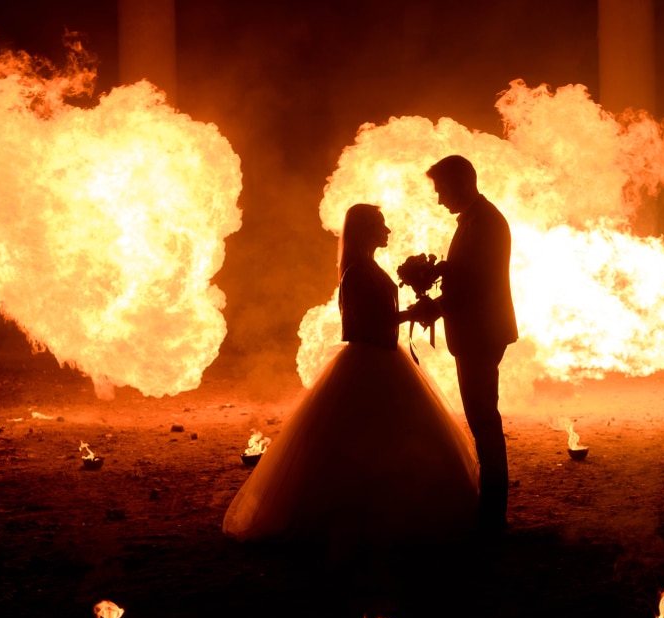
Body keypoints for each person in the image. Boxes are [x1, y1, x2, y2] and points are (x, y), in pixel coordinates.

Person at [222, 203, 479, 558]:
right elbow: (359, 328)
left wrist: (412, 310)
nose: (387, 231)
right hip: (370, 363)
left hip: (385, 359)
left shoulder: (369, 267)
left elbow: (381, 319)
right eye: (381, 225)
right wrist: (411, 313)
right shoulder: (357, 272)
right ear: (367, 231)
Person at [420, 155, 518, 533]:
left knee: (483, 422)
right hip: (480, 331)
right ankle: (491, 510)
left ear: (463, 182)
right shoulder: (479, 220)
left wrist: (434, 306)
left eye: (442, 190)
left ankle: (493, 515)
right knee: (482, 421)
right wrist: (439, 271)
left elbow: (476, 285)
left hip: (481, 333)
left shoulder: (485, 223)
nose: (441, 199)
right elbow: (468, 274)